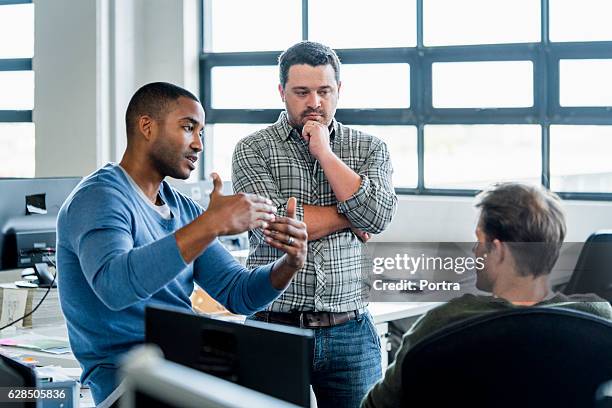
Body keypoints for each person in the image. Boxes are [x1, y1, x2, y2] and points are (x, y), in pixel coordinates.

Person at [56, 82, 308, 406]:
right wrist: (211, 224)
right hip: (129, 382)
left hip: (184, 368)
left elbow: (239, 293)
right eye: (188, 128)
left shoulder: (183, 208)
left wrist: (289, 264)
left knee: (290, 384)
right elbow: (115, 286)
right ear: (146, 126)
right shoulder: (98, 198)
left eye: (201, 132)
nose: (199, 144)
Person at [231, 41, 398, 407]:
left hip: (351, 331)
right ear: (282, 92)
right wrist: (348, 213)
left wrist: (324, 151)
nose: (315, 103)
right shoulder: (252, 149)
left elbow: (377, 217)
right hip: (273, 328)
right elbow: (275, 229)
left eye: (324, 91)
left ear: (339, 91)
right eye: (302, 92)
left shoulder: (369, 148)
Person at [361, 182, 612, 408]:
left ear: (498, 250)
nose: (474, 250)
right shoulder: (599, 319)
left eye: (479, 240)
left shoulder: (439, 325)